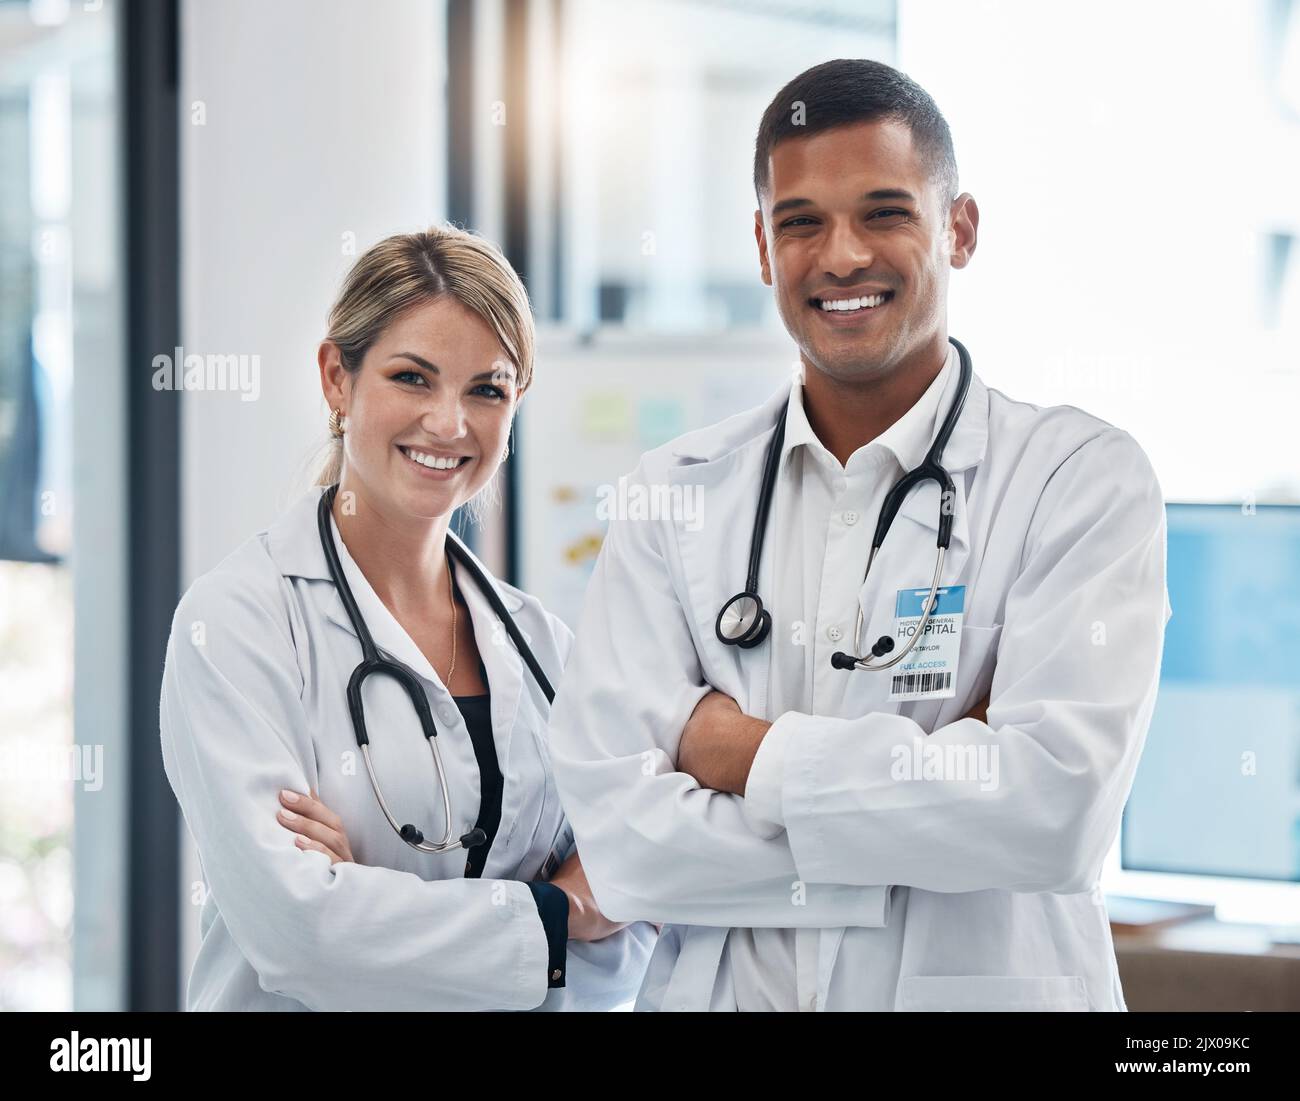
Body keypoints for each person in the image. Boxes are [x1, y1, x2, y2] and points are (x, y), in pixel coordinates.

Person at [545, 58, 1170, 1012]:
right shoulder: (671, 496)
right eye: (801, 222)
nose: (840, 256)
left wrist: (741, 754)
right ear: (761, 246)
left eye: (884, 212)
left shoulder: (1074, 481)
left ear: (957, 229)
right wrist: (942, 793)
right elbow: (625, 848)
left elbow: (1054, 816)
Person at [159, 225, 656, 1011]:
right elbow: (302, 937)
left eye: (487, 390)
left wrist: (369, 901)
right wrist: (554, 914)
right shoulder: (237, 624)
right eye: (413, 377)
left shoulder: (543, 649)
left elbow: (632, 929)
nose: (449, 423)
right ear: (337, 378)